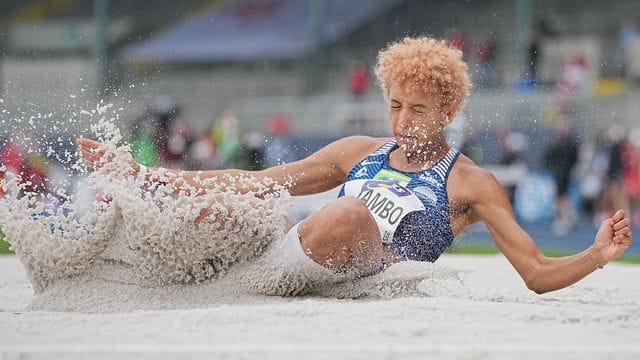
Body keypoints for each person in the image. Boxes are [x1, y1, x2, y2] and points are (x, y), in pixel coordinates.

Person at [77, 36, 633, 295]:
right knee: (232, 206)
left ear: (448, 111)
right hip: (295, 253)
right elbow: (259, 180)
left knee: (348, 217)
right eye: (395, 105)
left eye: (419, 110)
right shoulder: (358, 151)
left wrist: (595, 254)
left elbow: (535, 273)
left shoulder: (472, 182)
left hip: (363, 275)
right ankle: (128, 270)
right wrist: (149, 176)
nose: (403, 120)